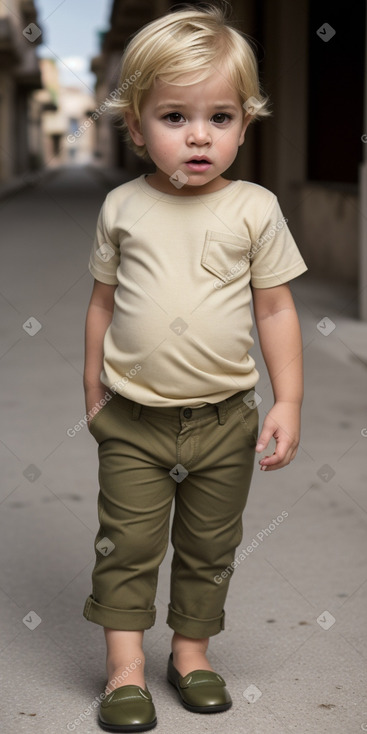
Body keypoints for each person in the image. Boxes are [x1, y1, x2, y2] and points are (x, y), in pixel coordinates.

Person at [82, 2, 308, 731]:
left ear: (246, 123)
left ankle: (189, 654)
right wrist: (92, 391)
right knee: (128, 544)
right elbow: (102, 303)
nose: (199, 135)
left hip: (223, 421)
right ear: (135, 125)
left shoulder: (254, 208)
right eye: (174, 117)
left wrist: (287, 401)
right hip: (134, 419)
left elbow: (274, 310)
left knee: (210, 545)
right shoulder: (121, 207)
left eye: (220, 116)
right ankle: (123, 669)